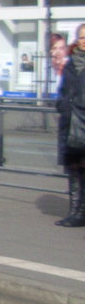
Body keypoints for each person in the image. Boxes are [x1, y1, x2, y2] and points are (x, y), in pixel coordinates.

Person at [55, 24, 85, 226]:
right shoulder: (71, 64)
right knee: (74, 171)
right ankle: (75, 212)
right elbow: (63, 91)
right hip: (71, 124)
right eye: (82, 37)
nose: (84, 41)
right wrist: (64, 105)